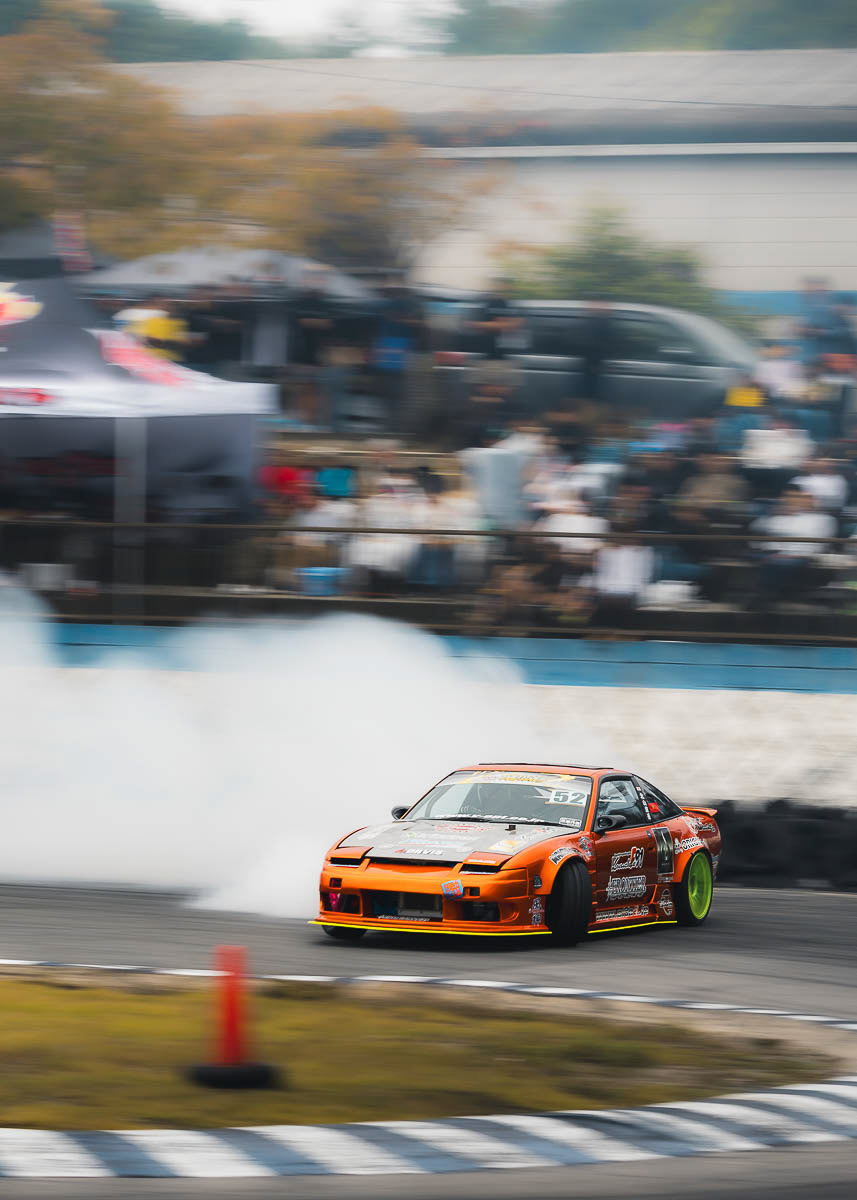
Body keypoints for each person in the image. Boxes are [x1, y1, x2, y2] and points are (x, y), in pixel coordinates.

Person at [750, 486, 836, 607]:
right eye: (789, 497)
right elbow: (755, 528)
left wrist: (794, 554)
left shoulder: (823, 519)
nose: (793, 500)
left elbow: (820, 544)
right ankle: (768, 597)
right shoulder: (777, 516)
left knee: (778, 563)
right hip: (771, 552)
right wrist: (771, 514)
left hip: (800, 555)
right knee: (769, 559)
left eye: (800, 497)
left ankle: (765, 597)